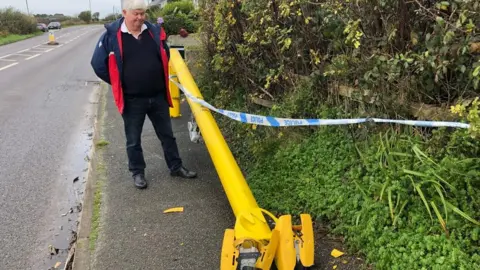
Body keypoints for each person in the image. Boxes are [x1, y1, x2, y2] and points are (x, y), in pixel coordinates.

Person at [90, 0, 197, 189]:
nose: (140, 18)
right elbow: (98, 65)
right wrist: (119, 83)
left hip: (157, 96)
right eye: (136, 14)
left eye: (142, 14)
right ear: (125, 13)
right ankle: (137, 173)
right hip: (132, 100)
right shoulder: (111, 36)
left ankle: (176, 167)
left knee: (167, 135)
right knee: (133, 140)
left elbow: (165, 53)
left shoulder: (154, 31)